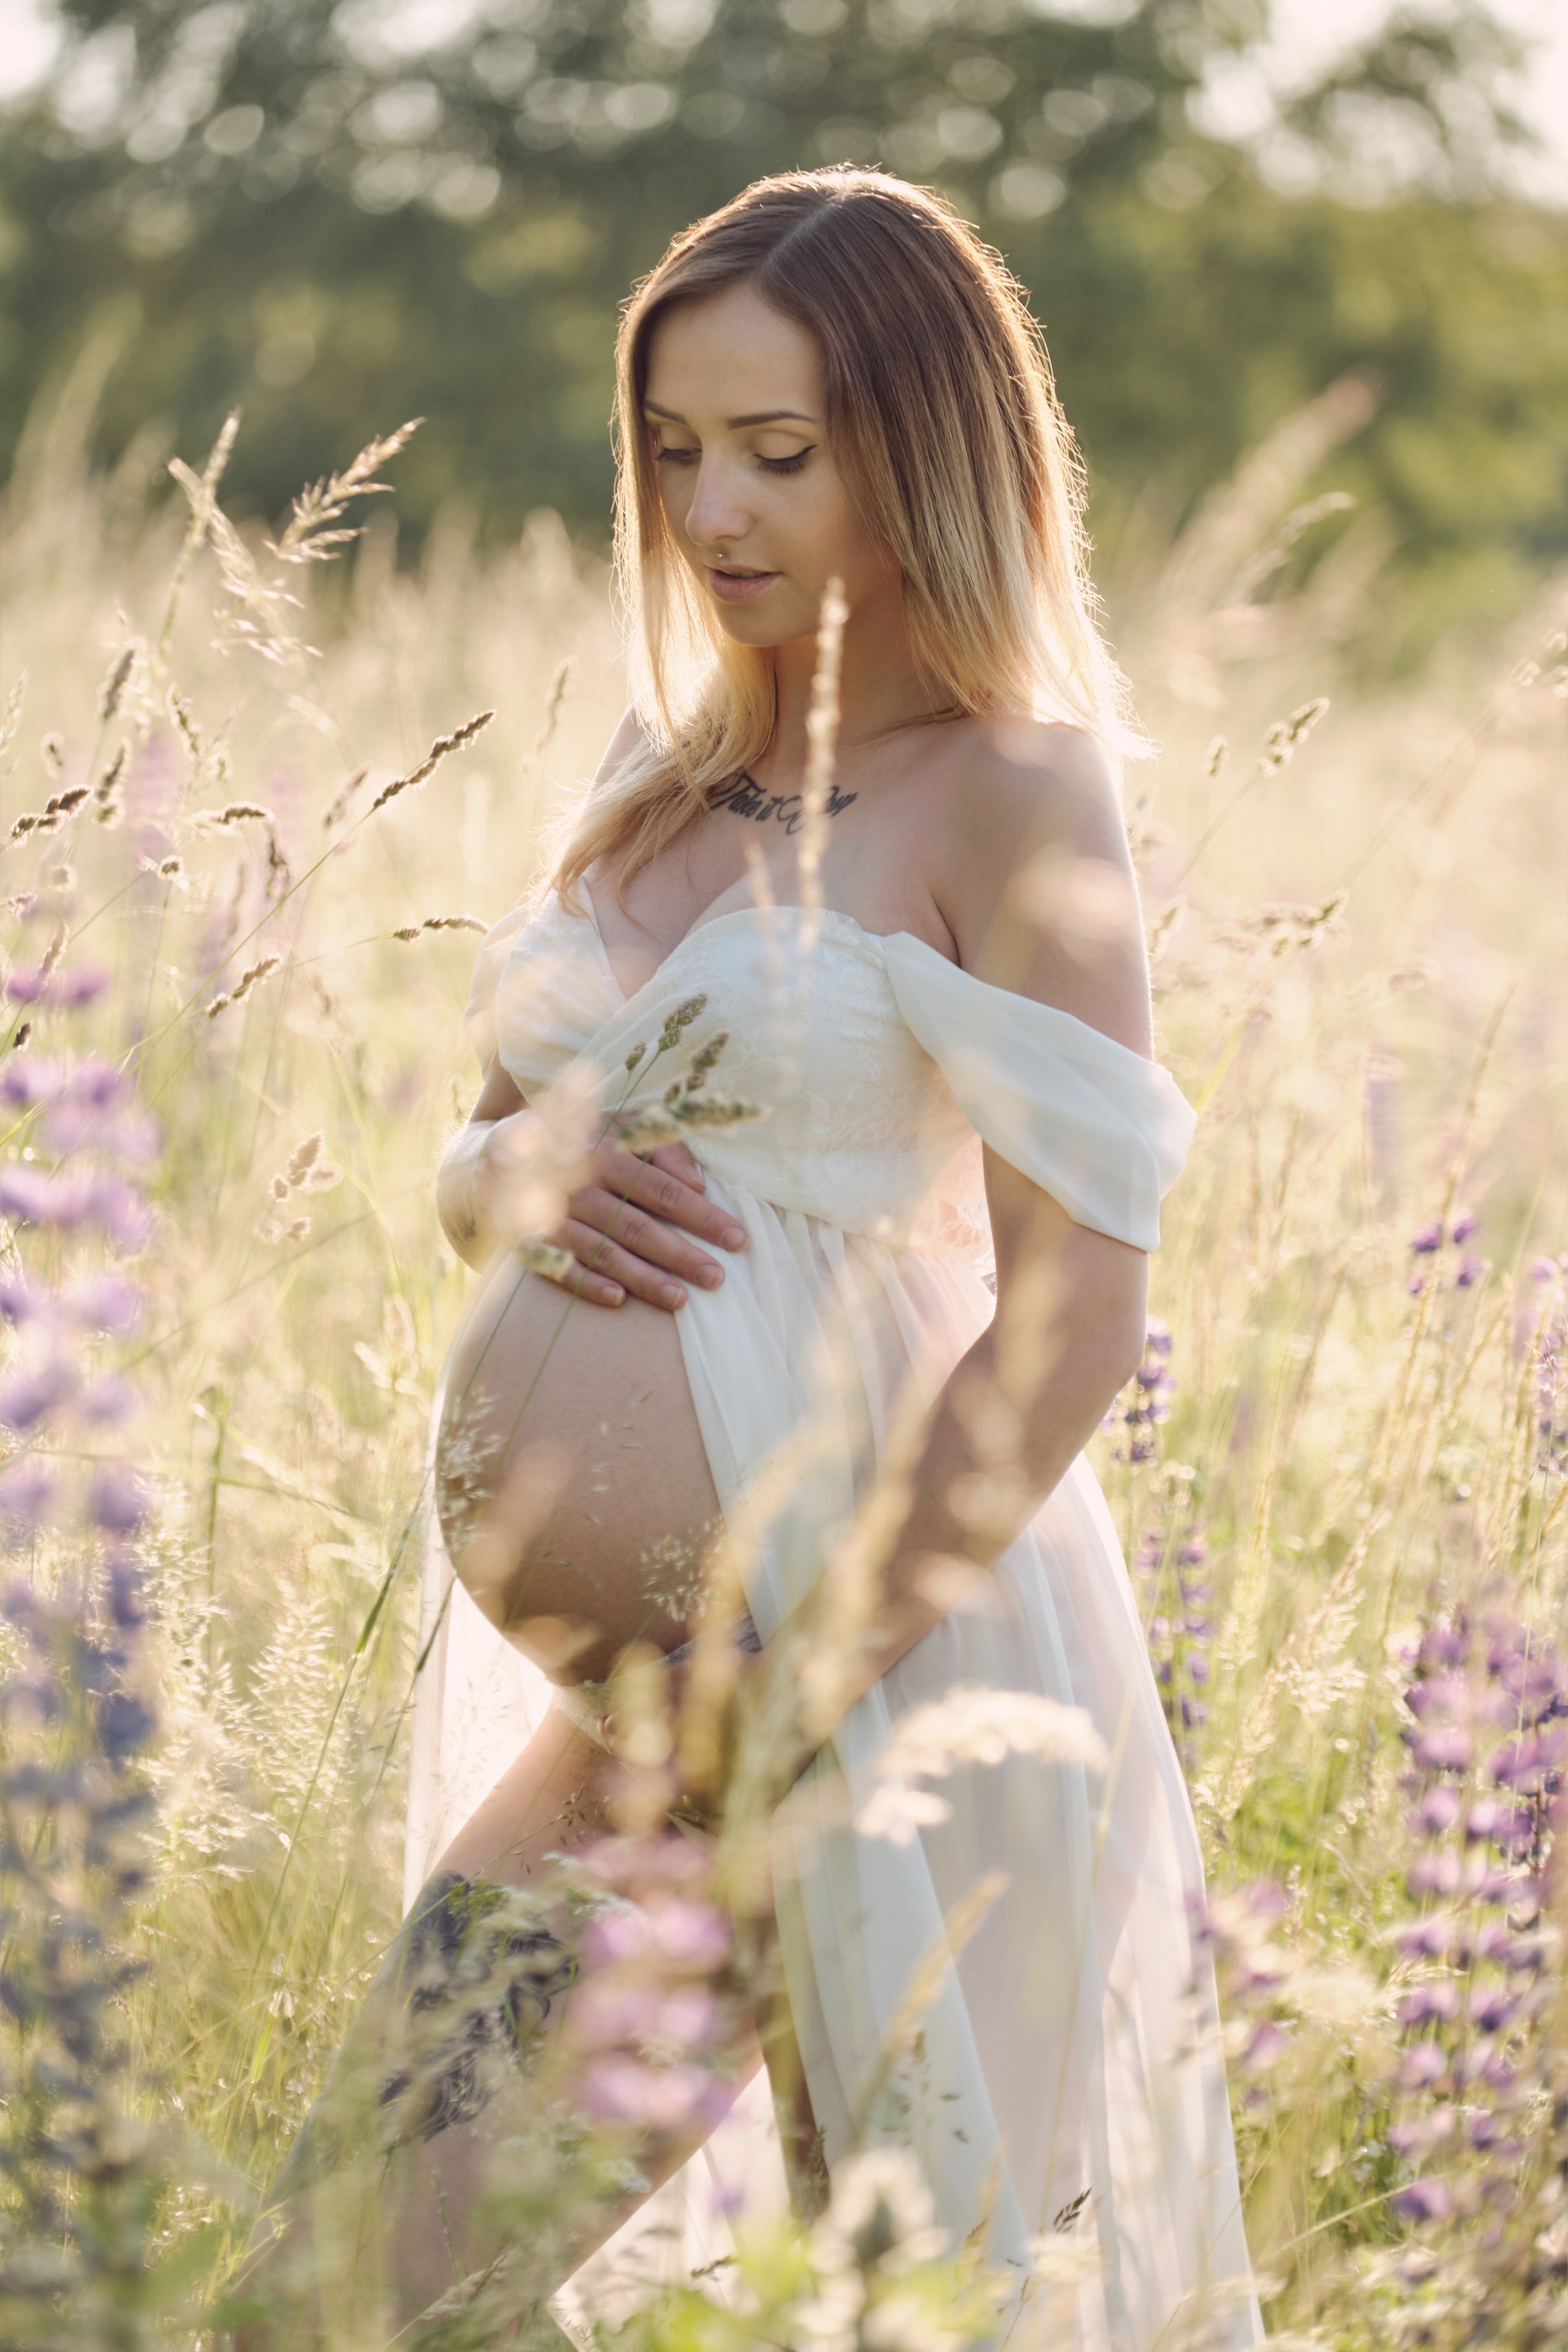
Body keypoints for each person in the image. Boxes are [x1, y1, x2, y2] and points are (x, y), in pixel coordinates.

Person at [241, 168, 1262, 2349]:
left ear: (926, 444)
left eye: (779, 454)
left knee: (869, 2310)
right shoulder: (660, 759)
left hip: (850, 1690)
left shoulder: (1011, 790)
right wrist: (500, 1185)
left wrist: (815, 1692)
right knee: (332, 2294)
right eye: (677, 448)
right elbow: (495, 1145)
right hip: (636, 1724)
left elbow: (1079, 1314)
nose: (714, 507)